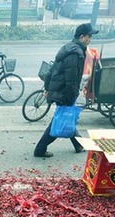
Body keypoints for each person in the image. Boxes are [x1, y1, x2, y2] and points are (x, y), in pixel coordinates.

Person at [33, 22, 98, 158]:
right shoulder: (75, 53)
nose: (90, 39)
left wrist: (47, 87)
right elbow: (71, 79)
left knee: (67, 117)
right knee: (59, 122)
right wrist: (71, 96)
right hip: (64, 91)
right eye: (89, 36)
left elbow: (52, 69)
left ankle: (78, 144)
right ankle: (40, 149)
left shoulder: (68, 48)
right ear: (81, 37)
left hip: (58, 89)